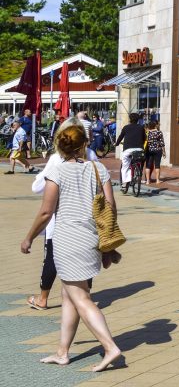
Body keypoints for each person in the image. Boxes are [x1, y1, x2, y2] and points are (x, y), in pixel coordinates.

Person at [19, 123, 123, 372]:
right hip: (90, 239)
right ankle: (62, 352)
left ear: (61, 147)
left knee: (81, 298)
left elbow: (46, 211)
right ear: (84, 144)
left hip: (67, 240)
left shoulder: (58, 173)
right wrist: (106, 244)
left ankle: (110, 347)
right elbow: (111, 207)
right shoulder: (98, 169)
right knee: (69, 296)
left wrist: (29, 238)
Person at [28, 118, 100, 311]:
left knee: (51, 257)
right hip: (89, 221)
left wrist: (29, 238)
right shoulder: (92, 157)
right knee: (86, 259)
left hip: (61, 223)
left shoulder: (55, 160)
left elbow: (38, 190)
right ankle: (84, 295)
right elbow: (105, 194)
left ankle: (43, 298)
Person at [114, 112, 146, 194]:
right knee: (140, 160)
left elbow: (120, 137)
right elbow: (144, 138)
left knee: (125, 166)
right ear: (138, 120)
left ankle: (125, 184)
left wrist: (116, 144)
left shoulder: (126, 128)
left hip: (128, 149)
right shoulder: (141, 127)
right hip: (139, 149)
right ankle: (138, 174)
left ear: (130, 119)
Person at [144, 119, 165, 185]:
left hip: (149, 150)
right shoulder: (159, 132)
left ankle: (147, 181)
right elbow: (162, 143)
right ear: (155, 125)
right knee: (157, 165)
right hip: (158, 150)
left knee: (148, 165)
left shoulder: (147, 133)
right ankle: (157, 180)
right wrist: (164, 152)